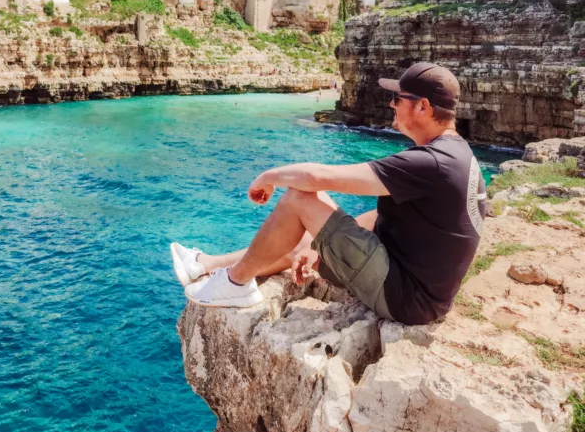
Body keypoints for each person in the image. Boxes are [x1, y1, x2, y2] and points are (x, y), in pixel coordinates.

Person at [171, 62, 486, 325]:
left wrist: (268, 176)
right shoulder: (454, 153)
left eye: (398, 98)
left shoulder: (430, 162)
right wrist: (319, 251)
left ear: (423, 107)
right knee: (306, 239)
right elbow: (384, 215)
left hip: (404, 298)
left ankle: (236, 283)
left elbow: (317, 178)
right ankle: (206, 264)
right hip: (411, 285)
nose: (391, 103)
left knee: (299, 199)